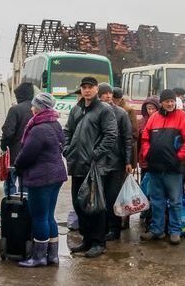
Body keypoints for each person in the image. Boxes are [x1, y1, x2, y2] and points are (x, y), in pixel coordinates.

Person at [64, 77, 117, 258]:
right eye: (84, 87)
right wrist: (66, 149)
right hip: (76, 164)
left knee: (95, 206)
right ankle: (86, 239)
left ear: (96, 89)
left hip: (94, 167)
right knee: (79, 204)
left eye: (90, 87)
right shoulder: (77, 109)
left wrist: (96, 154)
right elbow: (67, 131)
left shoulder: (104, 109)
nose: (87, 90)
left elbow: (111, 135)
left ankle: (98, 242)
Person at [14, 93, 67, 267]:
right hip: (56, 175)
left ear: (39, 107)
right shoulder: (54, 124)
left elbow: (27, 154)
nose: (31, 108)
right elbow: (62, 144)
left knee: (39, 217)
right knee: (48, 215)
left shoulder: (38, 129)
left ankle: (38, 257)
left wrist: (18, 165)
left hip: (41, 178)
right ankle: (52, 256)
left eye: (33, 105)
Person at [140, 89, 185, 245]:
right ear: (162, 103)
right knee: (157, 200)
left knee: (175, 201)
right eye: (167, 101)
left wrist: (179, 158)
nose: (170, 104)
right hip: (155, 168)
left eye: (172, 101)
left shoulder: (182, 117)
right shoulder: (154, 118)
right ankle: (156, 230)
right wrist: (147, 154)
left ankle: (175, 231)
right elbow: (145, 139)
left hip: (173, 169)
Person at [96, 83, 134, 241]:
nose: (108, 96)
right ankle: (102, 227)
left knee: (113, 197)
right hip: (98, 161)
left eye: (110, 93)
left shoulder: (121, 113)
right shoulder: (94, 111)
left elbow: (127, 138)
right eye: (104, 93)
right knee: (100, 196)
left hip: (116, 162)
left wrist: (128, 160)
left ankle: (114, 228)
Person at [1, 82, 34, 195]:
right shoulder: (38, 110)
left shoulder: (15, 110)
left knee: (10, 183)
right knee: (26, 186)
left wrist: (3, 145)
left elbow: (8, 132)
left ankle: (11, 208)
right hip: (31, 155)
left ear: (20, 95)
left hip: (15, 155)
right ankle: (24, 209)